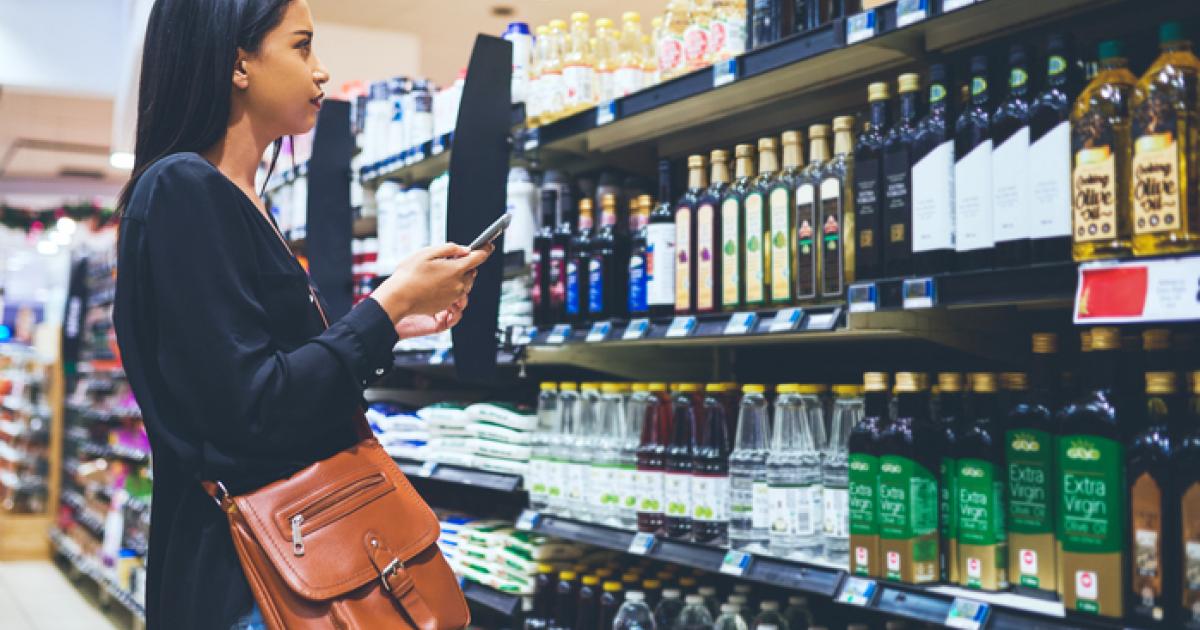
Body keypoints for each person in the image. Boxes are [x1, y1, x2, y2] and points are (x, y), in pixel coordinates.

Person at [111, 1, 491, 628]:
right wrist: (386, 304)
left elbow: (272, 380)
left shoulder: (241, 201)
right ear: (239, 62)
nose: (321, 71)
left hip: (291, 565)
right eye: (302, 46)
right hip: (253, 583)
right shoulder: (184, 188)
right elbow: (252, 411)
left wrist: (390, 324)